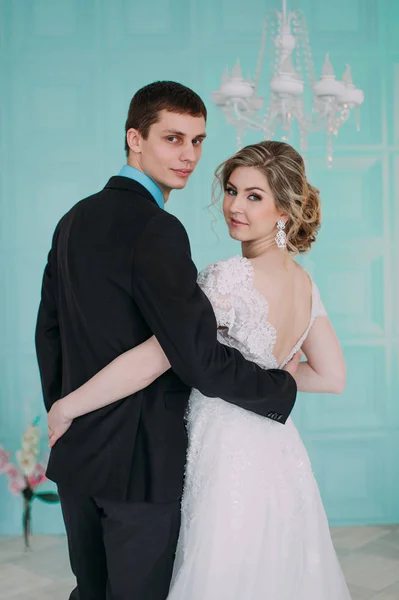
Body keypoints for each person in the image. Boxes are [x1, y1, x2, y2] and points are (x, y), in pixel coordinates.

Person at [47, 140, 350, 599]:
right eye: (232, 190)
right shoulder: (306, 283)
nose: (234, 206)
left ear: (284, 210)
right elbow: (331, 376)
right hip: (276, 448)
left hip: (223, 447)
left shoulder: (228, 277)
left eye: (254, 196)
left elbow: (155, 358)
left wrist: (68, 405)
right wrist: (277, 374)